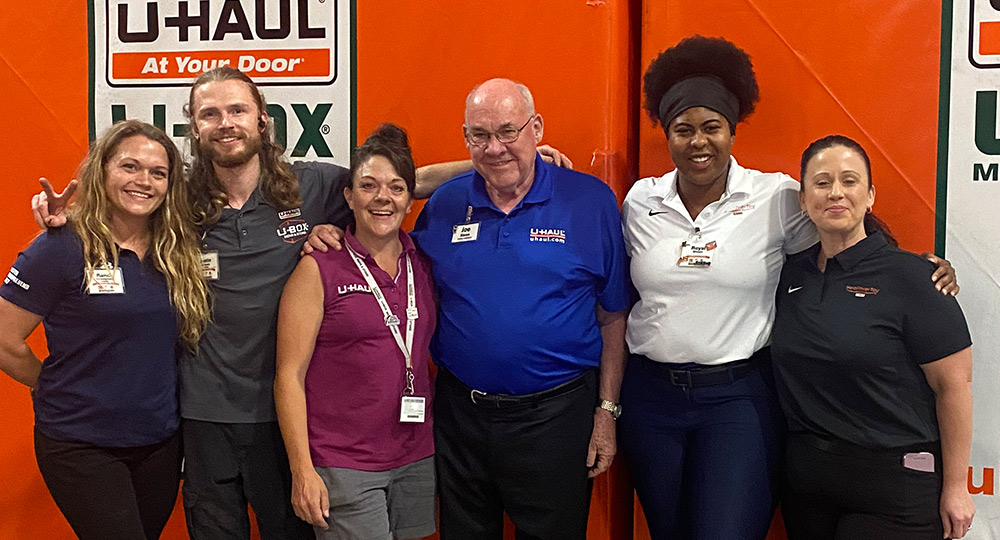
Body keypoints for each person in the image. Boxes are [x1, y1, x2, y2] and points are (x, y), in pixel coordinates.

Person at [30, 68, 569, 539]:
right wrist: (68, 222)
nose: (226, 122)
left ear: (263, 120)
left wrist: (496, 164)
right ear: (194, 128)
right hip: (201, 414)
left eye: (238, 109)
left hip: (284, 416)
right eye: (210, 113)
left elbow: (404, 181)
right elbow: (124, 209)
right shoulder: (179, 195)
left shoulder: (312, 185)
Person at [617, 35, 959, 540]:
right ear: (667, 135)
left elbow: (840, 234)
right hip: (650, 397)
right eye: (682, 129)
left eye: (712, 127)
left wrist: (915, 268)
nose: (698, 142)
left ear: (731, 131)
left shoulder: (774, 196)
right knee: (668, 529)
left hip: (738, 398)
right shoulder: (640, 201)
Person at [410, 78, 629, 540]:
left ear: (537, 128)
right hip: (461, 416)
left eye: (508, 132)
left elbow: (613, 315)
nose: (494, 148)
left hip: (556, 417)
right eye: (479, 135)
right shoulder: (447, 203)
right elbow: (384, 212)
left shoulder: (590, 202)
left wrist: (606, 412)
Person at [0, 120, 210, 540]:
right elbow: (4, 339)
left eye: (158, 172)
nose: (143, 181)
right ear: (102, 170)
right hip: (81, 443)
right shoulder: (62, 246)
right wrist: (47, 383)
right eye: (129, 166)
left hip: (159, 442)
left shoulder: (177, 249)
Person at [770, 134, 974, 540]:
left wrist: (956, 486)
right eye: (822, 182)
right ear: (803, 199)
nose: (836, 193)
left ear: (870, 196)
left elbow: (954, 387)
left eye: (849, 181)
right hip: (808, 485)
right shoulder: (789, 276)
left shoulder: (915, 278)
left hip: (894, 488)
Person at [274, 123, 437, 540]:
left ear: (409, 199)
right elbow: (288, 377)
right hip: (343, 465)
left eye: (396, 187)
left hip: (416, 456)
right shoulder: (319, 267)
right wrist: (302, 471)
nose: (383, 197)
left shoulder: (423, 261)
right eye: (368, 185)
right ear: (349, 196)